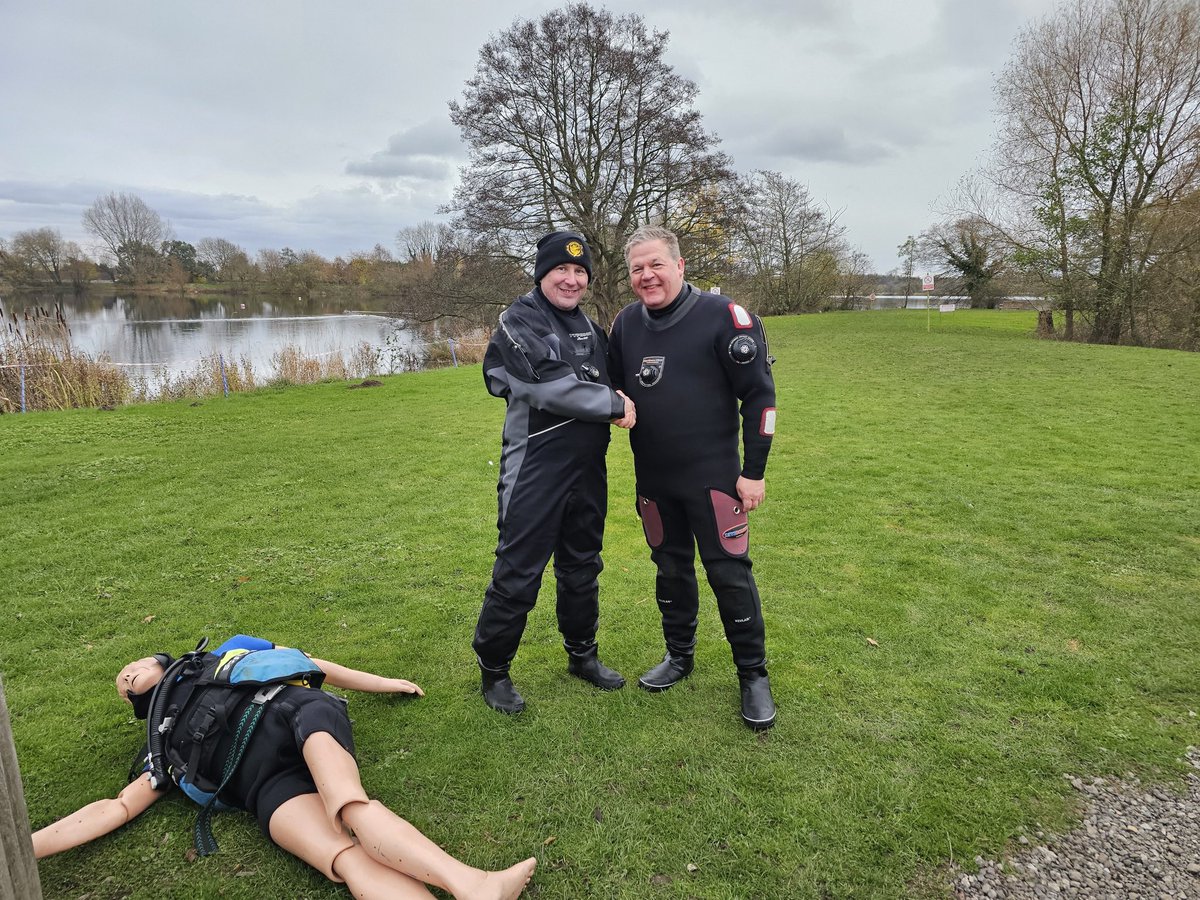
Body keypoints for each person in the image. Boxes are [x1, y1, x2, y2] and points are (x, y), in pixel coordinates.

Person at [31, 636, 537, 900]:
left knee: (349, 808)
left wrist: (385, 682)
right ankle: (473, 889)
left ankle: (468, 883)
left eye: (132, 665)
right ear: (133, 705)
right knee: (342, 858)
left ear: (162, 660)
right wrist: (21, 848)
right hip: (262, 787)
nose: (126, 673)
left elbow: (308, 663)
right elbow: (117, 807)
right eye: (124, 683)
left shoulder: (226, 653)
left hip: (291, 717)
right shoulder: (159, 748)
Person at [608, 225, 778, 730]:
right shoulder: (625, 325)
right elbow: (613, 387)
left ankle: (753, 675)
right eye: (637, 268)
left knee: (729, 574)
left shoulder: (726, 318)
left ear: (680, 265)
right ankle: (679, 656)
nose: (646, 275)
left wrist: (753, 473)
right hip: (655, 480)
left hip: (716, 479)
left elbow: (761, 399)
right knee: (671, 569)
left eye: (656, 264)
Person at [473, 230, 636, 715]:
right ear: (542, 274)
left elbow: (622, 377)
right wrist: (612, 402)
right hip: (535, 470)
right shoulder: (517, 320)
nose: (571, 279)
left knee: (583, 566)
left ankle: (582, 654)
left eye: (579, 272)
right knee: (519, 572)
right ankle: (494, 670)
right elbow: (547, 386)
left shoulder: (589, 326)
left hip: (587, 468)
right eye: (560, 270)